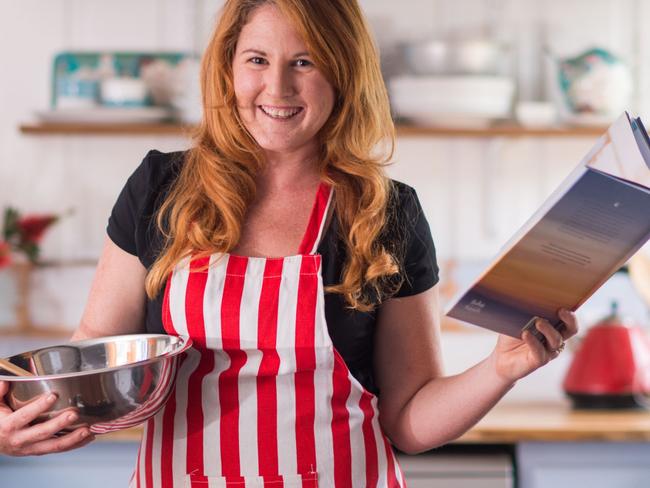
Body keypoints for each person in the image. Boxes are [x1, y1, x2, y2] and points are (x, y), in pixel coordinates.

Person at [0, 0, 578, 486]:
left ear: (343, 73)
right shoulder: (160, 188)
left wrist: (503, 368)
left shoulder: (385, 212)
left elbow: (408, 420)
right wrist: (19, 422)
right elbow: (91, 363)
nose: (276, 87)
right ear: (229, 68)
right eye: (257, 60)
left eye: (304, 62)